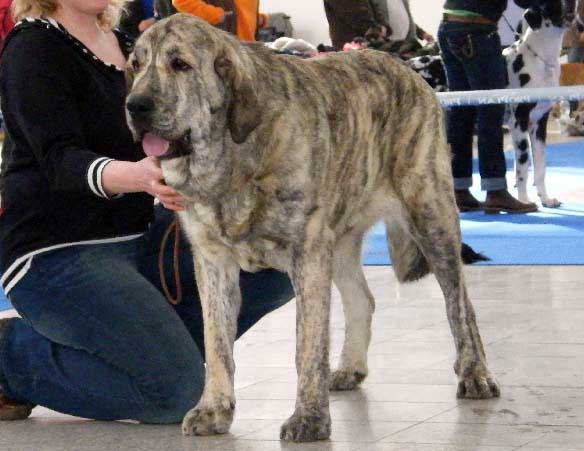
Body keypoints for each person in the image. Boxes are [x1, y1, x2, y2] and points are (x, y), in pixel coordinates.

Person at [0, 0, 293, 422]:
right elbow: (57, 159)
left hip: (141, 240)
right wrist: (138, 177)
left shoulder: (130, 45)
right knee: (173, 394)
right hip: (56, 252)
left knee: (272, 265)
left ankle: (155, 353)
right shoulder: (31, 47)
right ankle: (11, 355)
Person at [438, 0, 538, 213]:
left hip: (449, 27)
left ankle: (458, 190)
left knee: (461, 110)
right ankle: (496, 190)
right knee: (490, 109)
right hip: (476, 32)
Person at [171, 0, 268, 41]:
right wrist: (215, 15)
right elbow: (182, 1)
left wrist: (258, 19)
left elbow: (242, 8)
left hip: (248, 48)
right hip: (221, 49)